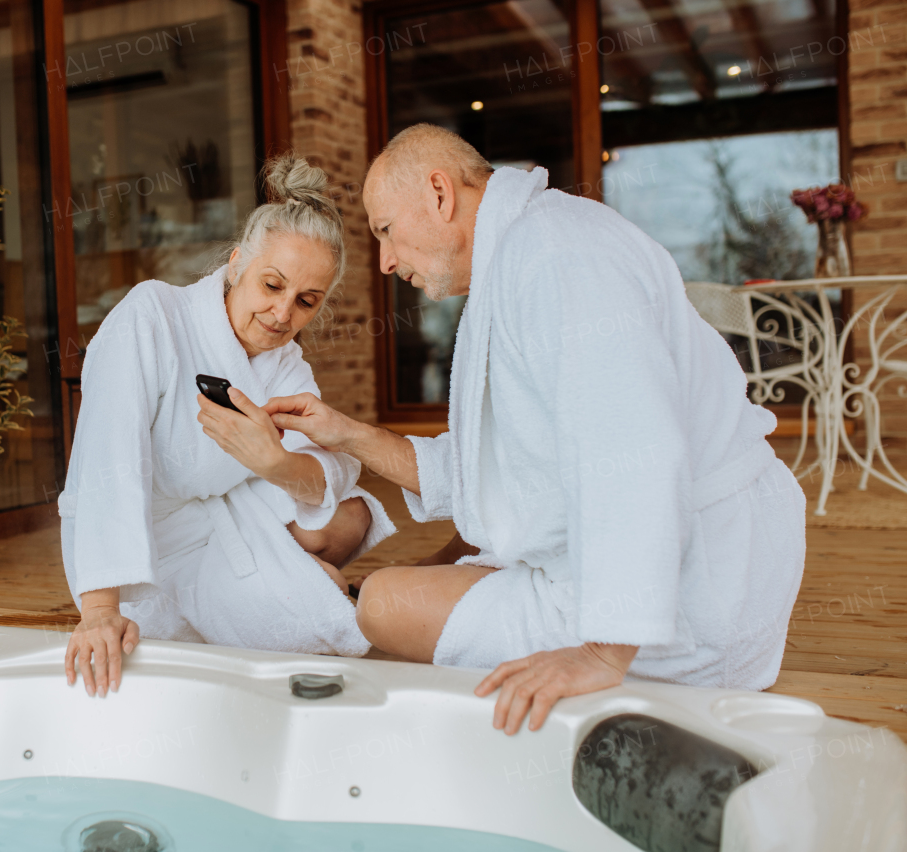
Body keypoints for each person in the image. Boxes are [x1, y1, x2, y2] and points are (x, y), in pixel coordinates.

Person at [266, 124, 806, 735]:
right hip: (665, 567)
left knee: (386, 604)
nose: (387, 261)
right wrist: (345, 433)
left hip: (698, 591)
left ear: (440, 194)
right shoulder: (522, 253)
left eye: (386, 231)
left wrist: (604, 650)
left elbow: (636, 448)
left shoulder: (556, 258)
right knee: (419, 578)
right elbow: (485, 469)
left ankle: (626, 652)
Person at [59, 155, 396, 698]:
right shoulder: (153, 316)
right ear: (238, 262)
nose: (282, 314)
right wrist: (100, 608)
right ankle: (277, 576)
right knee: (327, 600)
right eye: (272, 285)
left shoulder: (285, 363)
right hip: (148, 543)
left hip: (224, 519)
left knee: (349, 515)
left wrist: (277, 463)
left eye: (306, 301)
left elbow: (332, 467)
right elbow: (105, 458)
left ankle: (285, 567)